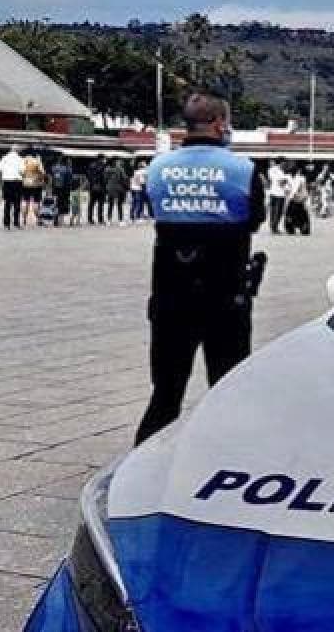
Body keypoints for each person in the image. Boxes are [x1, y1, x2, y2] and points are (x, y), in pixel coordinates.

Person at [135, 93, 265, 445]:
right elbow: (254, 220)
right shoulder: (244, 169)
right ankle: (227, 463)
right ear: (221, 123)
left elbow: (156, 212)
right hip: (225, 297)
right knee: (227, 390)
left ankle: (140, 466)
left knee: (165, 394)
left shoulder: (158, 167)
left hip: (169, 298)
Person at [0, 145, 24, 230]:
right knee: (17, 203)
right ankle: (16, 222)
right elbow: (22, 171)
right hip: (17, 182)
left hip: (7, 182)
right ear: (17, 151)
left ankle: (6, 223)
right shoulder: (20, 159)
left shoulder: (4, 158)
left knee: (7, 203)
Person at [283, 163, 311, 235]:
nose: (292, 173)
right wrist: (287, 190)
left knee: (301, 215)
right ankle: (291, 228)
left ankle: (303, 228)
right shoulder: (287, 177)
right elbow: (285, 187)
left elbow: (304, 188)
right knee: (291, 215)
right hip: (292, 199)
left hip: (299, 199)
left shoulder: (301, 178)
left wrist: (304, 197)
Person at [20, 149, 45, 227]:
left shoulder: (23, 160)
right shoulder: (37, 160)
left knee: (25, 201)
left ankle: (24, 219)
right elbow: (43, 172)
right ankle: (38, 219)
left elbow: (21, 172)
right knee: (36, 202)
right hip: (36, 184)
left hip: (25, 184)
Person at [49, 155, 74, 228]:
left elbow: (51, 179)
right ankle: (61, 221)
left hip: (55, 189)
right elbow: (70, 181)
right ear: (66, 161)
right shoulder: (68, 169)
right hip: (64, 190)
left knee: (56, 204)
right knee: (63, 205)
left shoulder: (54, 168)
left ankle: (55, 220)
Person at [266, 157, 289, 234]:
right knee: (275, 211)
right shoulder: (273, 170)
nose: (285, 164)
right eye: (284, 162)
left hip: (281, 193)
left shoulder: (283, 170)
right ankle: (274, 227)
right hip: (276, 193)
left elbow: (284, 181)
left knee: (278, 211)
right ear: (281, 162)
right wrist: (284, 180)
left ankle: (274, 227)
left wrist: (284, 180)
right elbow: (280, 181)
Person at [106, 159, 130, 226]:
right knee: (119, 205)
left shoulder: (107, 170)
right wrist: (126, 186)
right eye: (119, 163)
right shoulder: (120, 169)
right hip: (119, 189)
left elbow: (105, 179)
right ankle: (121, 221)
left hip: (110, 188)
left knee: (110, 204)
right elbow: (124, 178)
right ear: (117, 164)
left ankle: (108, 220)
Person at [86, 154, 108, 226]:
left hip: (92, 187)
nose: (105, 160)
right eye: (104, 159)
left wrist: (92, 184)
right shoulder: (102, 167)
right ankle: (100, 219)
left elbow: (88, 176)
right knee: (100, 204)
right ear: (101, 159)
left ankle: (90, 219)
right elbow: (104, 178)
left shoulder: (91, 166)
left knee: (91, 204)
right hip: (101, 188)